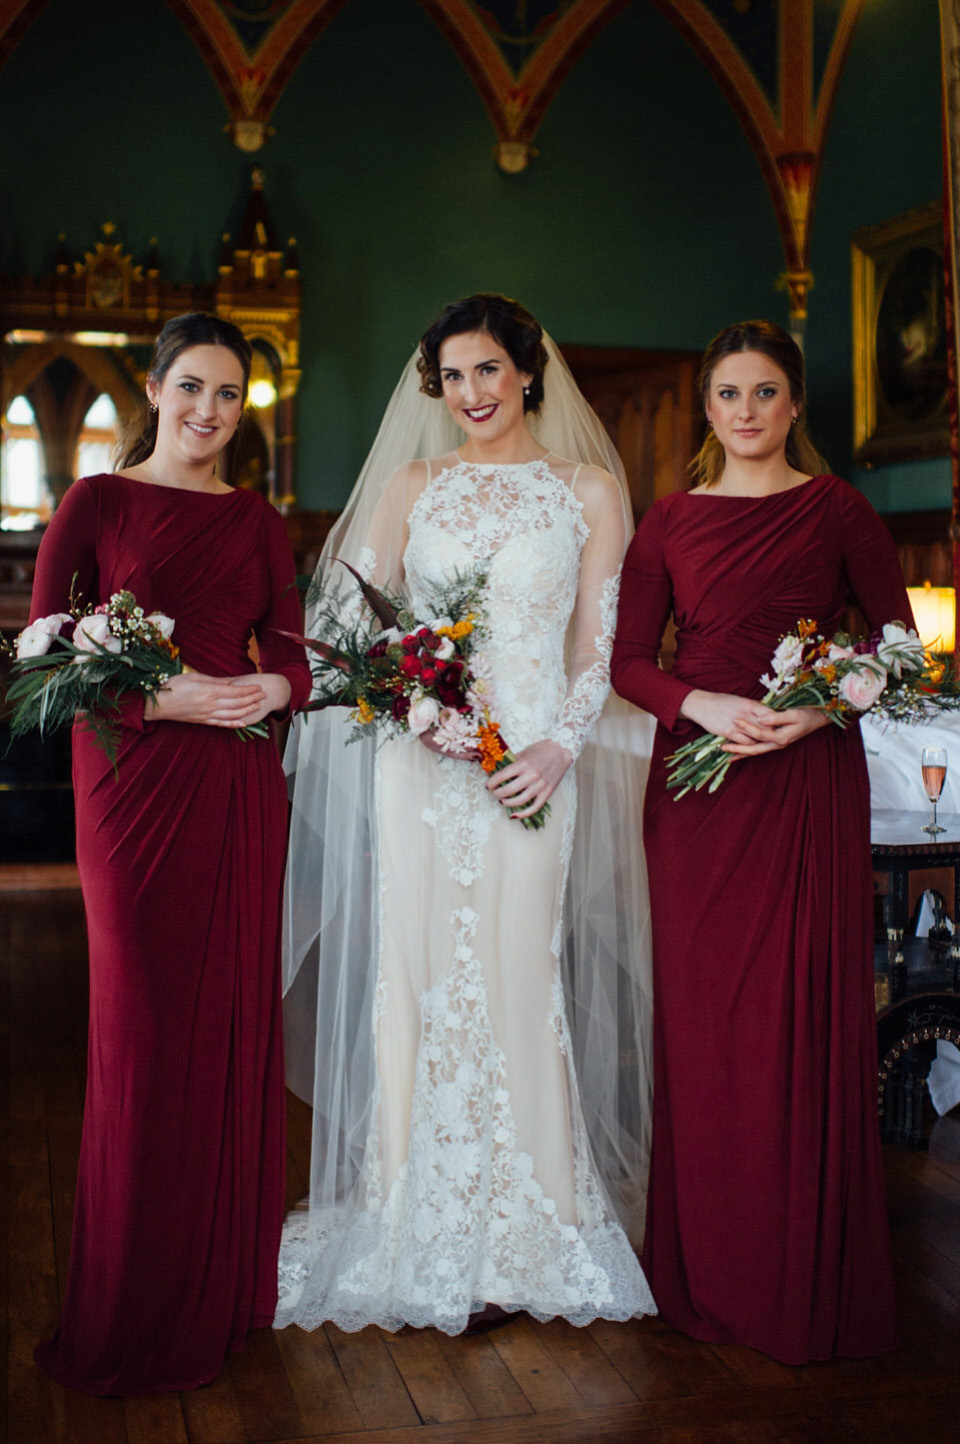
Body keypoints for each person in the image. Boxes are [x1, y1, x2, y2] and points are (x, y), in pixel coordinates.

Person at [277, 293, 655, 1334]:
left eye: (489, 370)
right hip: (422, 768)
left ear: (529, 372)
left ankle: (531, 1226)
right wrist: (415, 708)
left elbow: (598, 646)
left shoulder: (587, 490)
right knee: (420, 972)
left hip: (532, 767)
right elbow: (353, 634)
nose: (473, 394)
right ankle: (415, 1216)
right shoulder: (411, 484)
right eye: (452, 376)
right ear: (433, 388)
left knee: (517, 970)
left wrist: (558, 744)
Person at [610, 319, 911, 1364]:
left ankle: (800, 1274)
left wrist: (822, 711)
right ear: (707, 408)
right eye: (728, 394)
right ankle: (708, 1274)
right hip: (698, 795)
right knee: (707, 1027)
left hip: (804, 784)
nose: (745, 412)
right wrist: (699, 704)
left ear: (794, 406)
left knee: (796, 1017)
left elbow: (898, 645)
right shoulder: (670, 519)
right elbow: (626, 665)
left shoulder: (839, 508)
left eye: (765, 392)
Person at [29, 312, 311, 1394]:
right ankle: (129, 1297)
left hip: (237, 784)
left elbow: (288, 646)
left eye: (229, 394)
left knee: (228, 1025)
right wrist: (161, 694)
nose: (208, 410)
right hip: (132, 786)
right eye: (191, 386)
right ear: (154, 388)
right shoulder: (95, 503)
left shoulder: (256, 517)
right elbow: (42, 657)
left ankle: (219, 1285)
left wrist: (275, 686)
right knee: (144, 1030)